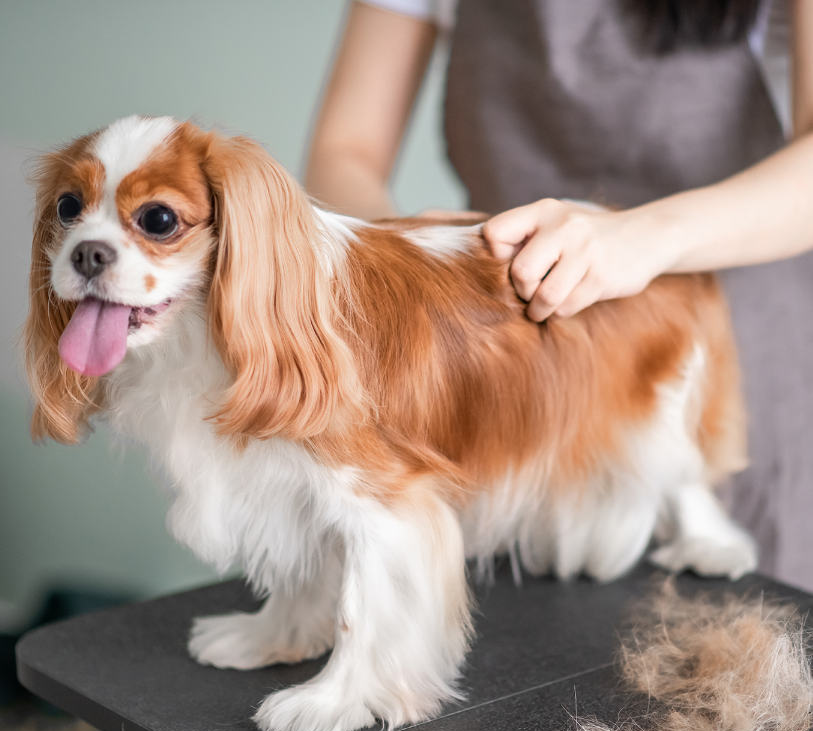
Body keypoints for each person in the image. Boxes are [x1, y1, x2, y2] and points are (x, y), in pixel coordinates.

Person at [304, 0, 813, 591]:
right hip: (513, 391)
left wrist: (638, 238)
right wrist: (407, 251)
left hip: (724, 374)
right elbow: (344, 152)